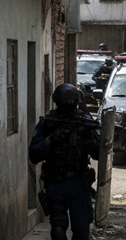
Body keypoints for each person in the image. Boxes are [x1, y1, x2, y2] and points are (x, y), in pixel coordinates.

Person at [29, 83, 100, 240]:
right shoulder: (48, 123)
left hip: (79, 182)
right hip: (56, 182)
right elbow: (34, 155)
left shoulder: (85, 122)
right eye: (64, 101)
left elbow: (98, 154)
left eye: (70, 101)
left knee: (82, 232)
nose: (68, 105)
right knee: (58, 230)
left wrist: (89, 139)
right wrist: (50, 139)